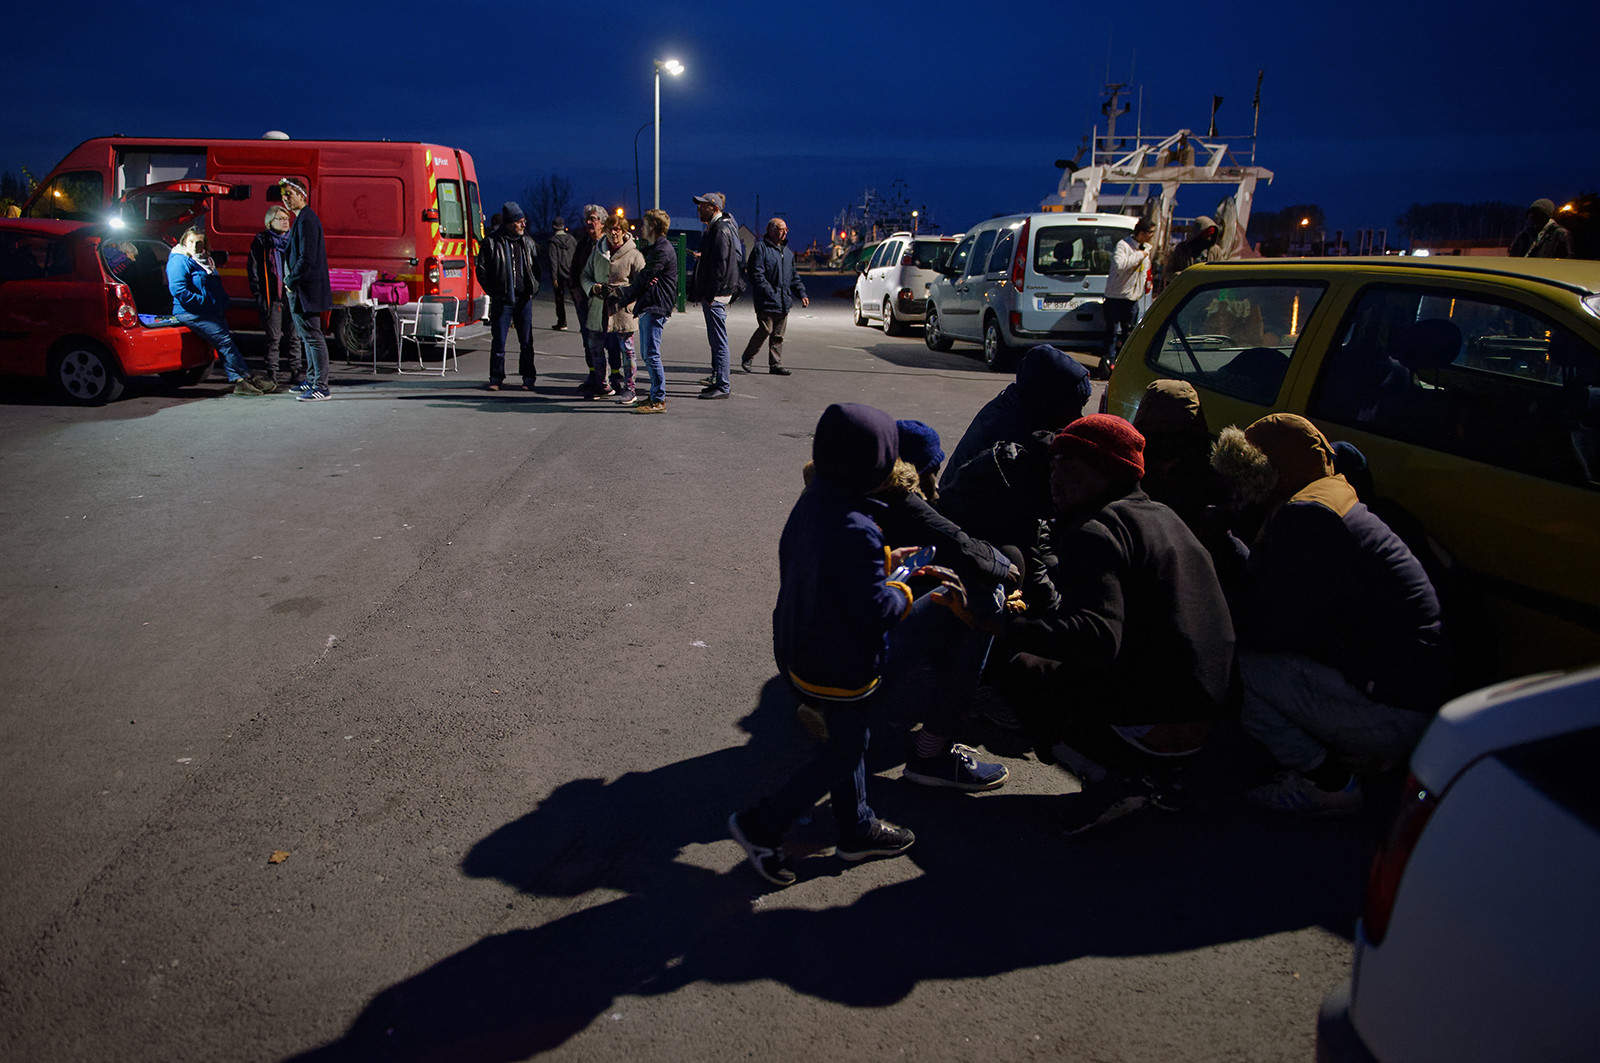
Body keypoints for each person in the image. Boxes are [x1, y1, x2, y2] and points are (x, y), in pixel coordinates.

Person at [729, 403, 971, 886]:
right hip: (839, 663)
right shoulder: (857, 527)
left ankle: (857, 827)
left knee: (846, 740)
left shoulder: (819, 500)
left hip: (804, 643)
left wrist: (885, 561)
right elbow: (875, 610)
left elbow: (836, 572)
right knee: (845, 748)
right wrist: (906, 584)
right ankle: (761, 825)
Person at [996, 415, 1237, 834]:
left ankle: (1115, 778)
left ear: (1105, 469)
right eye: (1053, 465)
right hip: (1208, 718)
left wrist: (999, 626)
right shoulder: (1164, 515)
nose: (1055, 477)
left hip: (1156, 724)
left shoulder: (1096, 531)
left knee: (1020, 666)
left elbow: (1098, 639)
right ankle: (1164, 778)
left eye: (1069, 465)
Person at [1210, 413, 1451, 815]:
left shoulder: (1308, 517)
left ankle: (1327, 781)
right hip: (1406, 698)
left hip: (1394, 713)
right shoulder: (1330, 497)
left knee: (1236, 666)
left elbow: (1271, 628)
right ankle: (1355, 755)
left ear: (1268, 472)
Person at [939, 344, 1092, 489]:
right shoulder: (1010, 433)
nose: (1078, 417)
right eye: (1071, 407)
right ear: (1050, 400)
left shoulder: (1015, 403)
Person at [167, 227, 276, 396]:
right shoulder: (179, 260)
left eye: (200, 242)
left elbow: (215, 285)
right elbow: (178, 291)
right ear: (184, 242)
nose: (196, 246)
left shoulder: (205, 260)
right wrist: (205, 302)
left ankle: (241, 379)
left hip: (210, 310)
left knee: (226, 342)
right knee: (224, 341)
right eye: (192, 242)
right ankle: (244, 378)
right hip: (191, 312)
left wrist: (223, 301)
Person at [614, 208, 678, 414]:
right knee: (648, 353)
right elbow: (646, 278)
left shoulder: (661, 250)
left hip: (656, 305)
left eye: (645, 224)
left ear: (653, 227)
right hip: (652, 303)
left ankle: (659, 400)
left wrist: (624, 296)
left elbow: (644, 278)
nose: (642, 228)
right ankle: (654, 395)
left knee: (651, 354)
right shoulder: (657, 248)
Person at [475, 201, 541, 391]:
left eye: (524, 221)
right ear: (510, 223)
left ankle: (528, 377)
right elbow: (482, 270)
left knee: (527, 341)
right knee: (499, 341)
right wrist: (494, 293)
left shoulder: (527, 243)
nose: (523, 225)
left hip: (523, 299)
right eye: (519, 222)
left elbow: (536, 269)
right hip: (503, 300)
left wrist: (532, 290)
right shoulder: (492, 242)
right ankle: (496, 378)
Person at [278, 177, 333, 401]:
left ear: (302, 195)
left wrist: (291, 281)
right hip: (301, 290)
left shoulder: (307, 220)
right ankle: (311, 380)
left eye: (289, 194)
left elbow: (307, 258)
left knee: (312, 337)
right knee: (306, 336)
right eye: (283, 195)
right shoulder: (302, 219)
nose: (285, 198)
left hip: (305, 290)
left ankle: (321, 386)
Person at [687, 192, 743, 399]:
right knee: (716, 340)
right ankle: (719, 382)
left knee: (719, 342)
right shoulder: (716, 228)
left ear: (715, 208)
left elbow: (720, 265)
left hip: (716, 295)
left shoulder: (720, 230)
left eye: (704, 206)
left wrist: (710, 293)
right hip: (716, 294)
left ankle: (723, 386)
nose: (699, 209)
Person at [583, 214, 644, 402]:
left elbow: (642, 282)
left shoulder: (634, 254)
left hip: (622, 311)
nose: (613, 233)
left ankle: (630, 388)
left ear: (624, 231)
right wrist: (592, 288)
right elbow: (585, 275)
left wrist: (623, 293)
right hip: (598, 308)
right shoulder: (597, 250)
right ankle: (603, 385)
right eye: (610, 229)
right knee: (595, 347)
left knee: (627, 350)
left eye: (617, 229)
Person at [740, 218, 808, 375]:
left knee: (778, 335)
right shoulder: (761, 249)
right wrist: (770, 293)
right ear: (770, 230)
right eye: (780, 229)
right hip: (766, 301)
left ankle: (775, 364)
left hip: (783, 302)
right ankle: (748, 357)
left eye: (786, 230)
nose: (784, 233)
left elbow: (793, 277)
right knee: (765, 329)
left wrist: (801, 293)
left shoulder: (787, 253)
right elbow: (756, 275)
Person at [247, 204, 303, 388]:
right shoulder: (262, 242)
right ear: (270, 222)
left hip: (292, 296)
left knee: (294, 336)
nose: (286, 222)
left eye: (287, 218)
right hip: (273, 297)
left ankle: (296, 372)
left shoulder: (293, 240)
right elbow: (254, 270)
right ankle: (272, 373)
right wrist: (259, 296)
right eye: (280, 219)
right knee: (273, 337)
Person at [1102, 217, 1155, 367]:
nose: (1152, 235)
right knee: (1111, 332)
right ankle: (1109, 361)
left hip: (1132, 298)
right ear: (1142, 233)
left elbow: (1144, 270)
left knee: (1129, 332)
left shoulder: (1145, 249)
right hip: (1116, 296)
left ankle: (1124, 362)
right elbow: (1120, 265)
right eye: (1150, 232)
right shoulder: (1123, 245)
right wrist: (1140, 255)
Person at [570, 205, 609, 394]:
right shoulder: (583, 244)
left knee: (609, 340)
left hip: (604, 302)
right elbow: (574, 271)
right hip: (585, 301)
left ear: (602, 222)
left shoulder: (608, 243)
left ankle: (614, 378)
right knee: (588, 339)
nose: (589, 223)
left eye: (593, 219)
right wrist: (576, 290)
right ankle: (593, 375)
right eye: (587, 219)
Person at [1509, 198, 1573, 259]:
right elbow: (1514, 255)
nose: (1532, 217)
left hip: (1546, 269)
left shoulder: (1560, 234)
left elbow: (1566, 258)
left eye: (1537, 214)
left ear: (1545, 216)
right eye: (1531, 213)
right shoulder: (1525, 234)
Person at [1167, 215, 1221, 281]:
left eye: (1211, 236)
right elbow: (1168, 272)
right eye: (1206, 235)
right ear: (1198, 233)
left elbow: (1222, 272)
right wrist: (1181, 276)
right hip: (1186, 287)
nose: (1209, 238)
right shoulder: (1180, 249)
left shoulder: (1215, 251)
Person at [545, 217, 576, 330]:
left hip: (559, 274)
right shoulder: (572, 240)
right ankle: (584, 323)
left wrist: (554, 277)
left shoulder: (552, 242)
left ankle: (562, 322)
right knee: (577, 299)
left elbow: (553, 260)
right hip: (572, 273)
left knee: (559, 299)